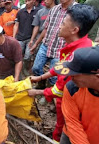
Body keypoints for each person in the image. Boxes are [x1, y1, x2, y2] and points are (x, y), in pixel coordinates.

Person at [28, 4, 98, 142]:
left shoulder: (81, 58)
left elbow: (60, 88)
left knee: (62, 128)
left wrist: (37, 92)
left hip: (77, 107)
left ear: (74, 30)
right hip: (72, 105)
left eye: (63, 23)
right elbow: (61, 67)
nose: (59, 26)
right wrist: (40, 77)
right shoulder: (77, 47)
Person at [52, 47, 99, 144]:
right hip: (72, 136)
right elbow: (73, 124)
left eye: (75, 74)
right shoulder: (72, 89)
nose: (70, 77)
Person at [31, 0, 76, 85]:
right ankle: (41, 84)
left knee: (54, 76)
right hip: (46, 45)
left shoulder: (76, 10)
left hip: (61, 49)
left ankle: (49, 94)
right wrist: (36, 43)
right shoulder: (54, 9)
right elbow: (46, 28)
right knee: (36, 68)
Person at [13, 0, 38, 77]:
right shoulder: (20, 12)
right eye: (26, 1)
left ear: (33, 1)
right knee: (18, 56)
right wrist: (14, 37)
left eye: (29, 0)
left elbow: (36, 26)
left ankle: (24, 68)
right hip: (20, 37)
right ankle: (18, 71)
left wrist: (32, 39)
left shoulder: (37, 12)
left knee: (28, 56)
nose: (27, 2)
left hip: (30, 38)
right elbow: (16, 25)